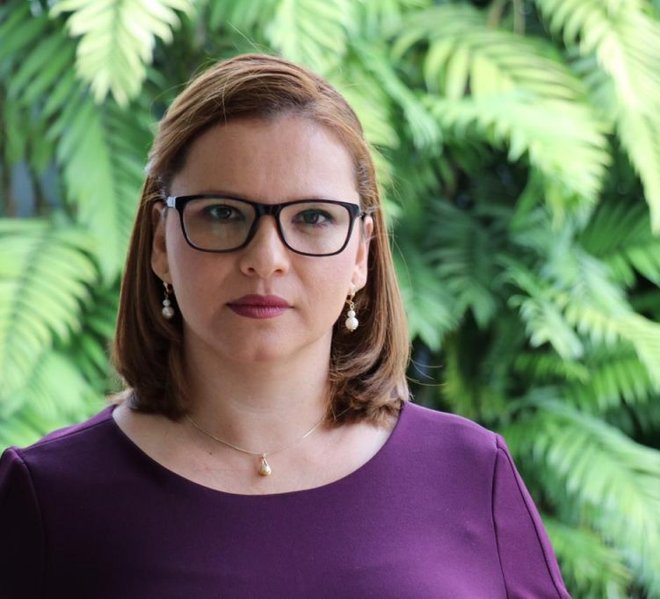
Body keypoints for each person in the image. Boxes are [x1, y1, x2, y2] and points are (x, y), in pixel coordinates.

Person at [0, 54, 570, 598]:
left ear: (360, 254)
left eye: (313, 217)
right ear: (160, 243)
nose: (266, 258)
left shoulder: (473, 473)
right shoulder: (47, 496)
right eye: (223, 213)